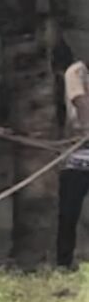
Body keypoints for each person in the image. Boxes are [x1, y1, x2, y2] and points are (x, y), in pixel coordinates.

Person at [56, 59, 89, 269]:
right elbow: (80, 102)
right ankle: (64, 263)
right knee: (69, 212)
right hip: (76, 156)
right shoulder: (77, 72)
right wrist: (87, 127)